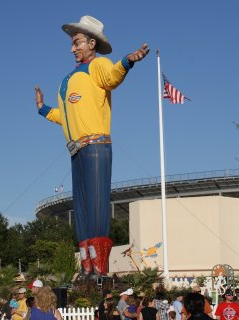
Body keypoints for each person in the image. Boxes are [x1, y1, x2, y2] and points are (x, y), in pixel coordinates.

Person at [35, 15, 149, 279]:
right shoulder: (68, 79)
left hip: (96, 146)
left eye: (77, 43)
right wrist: (42, 109)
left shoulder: (99, 65)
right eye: (73, 44)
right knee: (83, 212)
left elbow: (112, 77)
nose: (73, 48)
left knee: (97, 208)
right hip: (75, 150)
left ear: (91, 43)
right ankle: (87, 267)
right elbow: (65, 116)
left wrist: (127, 61)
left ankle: (100, 269)